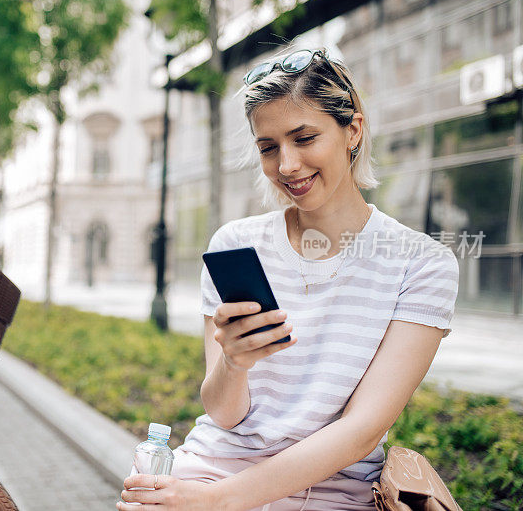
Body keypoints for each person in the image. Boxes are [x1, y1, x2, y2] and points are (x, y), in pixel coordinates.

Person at [117, 48, 459, 510]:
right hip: (214, 465)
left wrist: (218, 502)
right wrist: (234, 363)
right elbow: (223, 413)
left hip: (333, 490)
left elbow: (360, 433)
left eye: (304, 138)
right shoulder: (235, 244)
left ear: (352, 131)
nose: (288, 165)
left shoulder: (422, 264)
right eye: (268, 147)